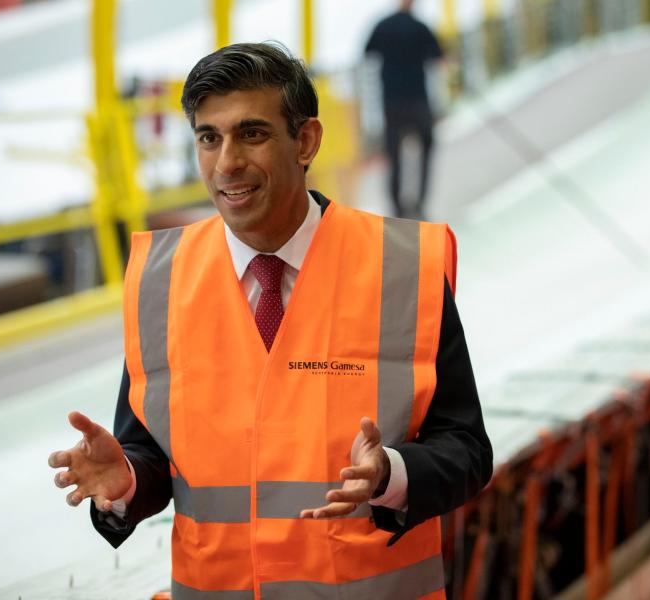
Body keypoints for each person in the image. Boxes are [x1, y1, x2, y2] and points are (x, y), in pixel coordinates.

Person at [47, 42, 492, 598]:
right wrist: (127, 483)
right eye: (209, 138)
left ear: (305, 141)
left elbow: (467, 449)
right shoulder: (161, 281)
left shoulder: (402, 267)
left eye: (251, 134)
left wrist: (391, 475)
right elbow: (153, 455)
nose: (226, 163)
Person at [365, 0, 444, 219]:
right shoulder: (420, 27)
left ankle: (397, 206)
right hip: (417, 99)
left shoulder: (382, 26)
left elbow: (368, 53)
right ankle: (419, 201)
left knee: (394, 154)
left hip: (391, 101)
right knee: (426, 148)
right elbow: (439, 57)